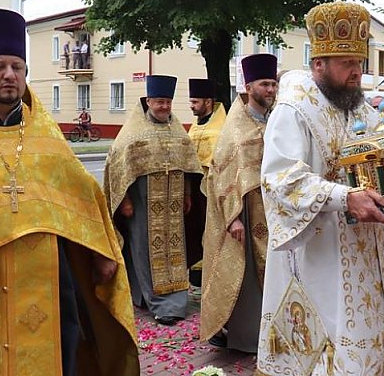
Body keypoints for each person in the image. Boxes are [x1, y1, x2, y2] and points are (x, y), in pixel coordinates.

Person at [0, 8, 139, 375]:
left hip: (47, 282)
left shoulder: (45, 137)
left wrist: (101, 252)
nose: (10, 75)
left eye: (18, 67)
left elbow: (82, 197)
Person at [256, 0, 384, 375]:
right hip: (317, 248)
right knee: (324, 339)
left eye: (360, 64)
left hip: (361, 247)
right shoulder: (294, 108)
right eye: (347, 64)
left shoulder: (362, 109)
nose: (357, 73)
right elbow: (280, 178)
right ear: (319, 64)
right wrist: (344, 197)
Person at [103, 75, 203, 326]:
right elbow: (117, 166)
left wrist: (188, 193)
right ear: (148, 101)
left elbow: (186, 164)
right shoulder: (132, 133)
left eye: (168, 102)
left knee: (175, 251)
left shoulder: (178, 130)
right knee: (145, 250)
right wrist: (123, 199)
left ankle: (177, 300)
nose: (165, 107)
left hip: (174, 204)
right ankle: (156, 302)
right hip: (142, 202)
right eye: (159, 102)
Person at [199, 53, 278, 352]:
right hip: (245, 213)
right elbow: (220, 176)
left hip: (273, 211)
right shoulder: (234, 128)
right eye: (264, 84)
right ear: (248, 87)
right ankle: (246, 338)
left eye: (273, 84)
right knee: (246, 279)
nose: (270, 90)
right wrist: (233, 218)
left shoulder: (275, 120)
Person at [185, 78, 227, 274]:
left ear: (208, 102)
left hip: (211, 187)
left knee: (210, 229)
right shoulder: (195, 126)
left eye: (195, 102)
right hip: (192, 187)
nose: (191, 106)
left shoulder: (221, 127)